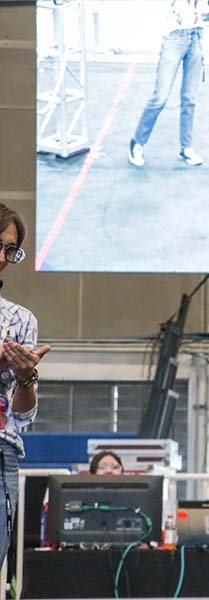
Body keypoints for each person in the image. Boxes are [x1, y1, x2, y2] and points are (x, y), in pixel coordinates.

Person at [0, 203, 51, 564]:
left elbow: (23, 415)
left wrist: (24, 376)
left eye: (9, 249)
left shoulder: (20, 319)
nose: (2, 257)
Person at [128, 0, 209, 168]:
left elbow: (200, 8)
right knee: (160, 97)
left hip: (196, 37)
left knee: (189, 99)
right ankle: (137, 142)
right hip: (174, 39)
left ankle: (186, 147)